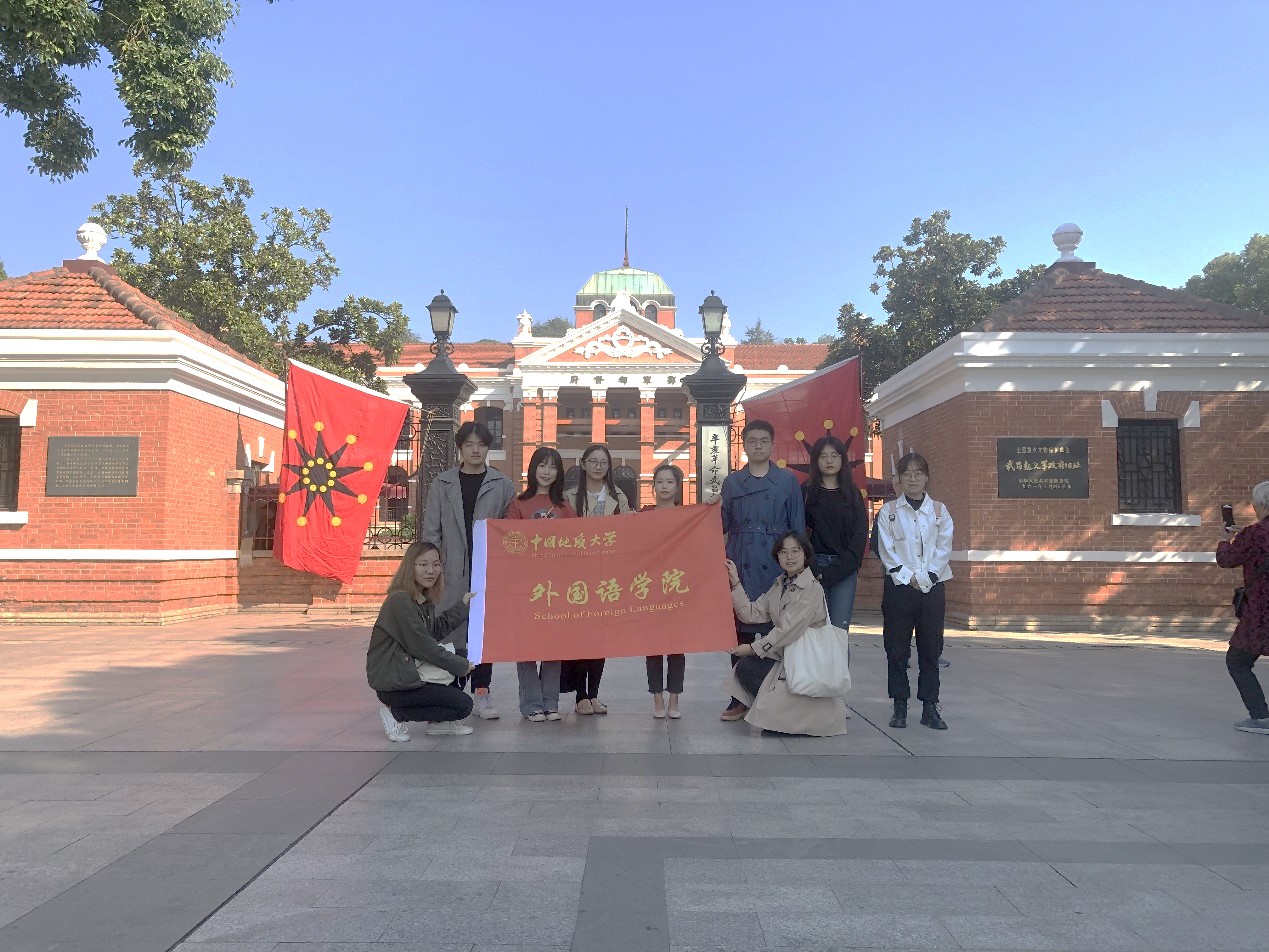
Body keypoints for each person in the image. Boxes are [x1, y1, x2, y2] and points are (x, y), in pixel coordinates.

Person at [422, 421, 515, 723]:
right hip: (450, 571)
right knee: (450, 633)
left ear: (489, 448)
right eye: (469, 444)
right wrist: (432, 570)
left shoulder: (502, 485)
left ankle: (482, 693)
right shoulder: (442, 483)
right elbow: (431, 532)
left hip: (487, 571)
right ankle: (451, 693)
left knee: (483, 636)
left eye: (481, 444)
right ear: (460, 448)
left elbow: (511, 532)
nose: (476, 450)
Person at [719, 419, 805, 720]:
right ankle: (738, 697)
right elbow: (719, 526)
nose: (758, 446)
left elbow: (797, 528)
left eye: (764, 441)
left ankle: (772, 695)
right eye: (752, 441)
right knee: (738, 632)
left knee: (775, 631)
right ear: (744, 445)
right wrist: (708, 508)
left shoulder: (787, 481)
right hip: (740, 562)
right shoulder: (732, 483)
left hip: (775, 563)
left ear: (772, 444)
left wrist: (797, 568)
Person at [721, 531, 847, 736]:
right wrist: (735, 582)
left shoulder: (812, 589)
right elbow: (751, 613)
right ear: (777, 556)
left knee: (754, 668)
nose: (790, 557)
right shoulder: (780, 585)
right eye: (783, 552)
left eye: (795, 551)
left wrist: (753, 648)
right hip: (786, 657)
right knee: (745, 668)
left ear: (805, 554)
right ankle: (781, 714)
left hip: (804, 659)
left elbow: (788, 630)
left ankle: (793, 718)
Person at [367, 540, 477, 739]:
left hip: (408, 670)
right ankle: (396, 714)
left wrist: (463, 606)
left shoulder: (419, 599)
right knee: (463, 705)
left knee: (463, 655)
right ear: (411, 566)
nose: (430, 571)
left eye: (436, 565)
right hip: (395, 683)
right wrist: (460, 665)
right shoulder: (400, 601)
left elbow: (434, 631)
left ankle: (438, 723)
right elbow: (424, 647)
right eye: (423, 564)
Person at [875, 452, 952, 731]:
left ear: (927, 477)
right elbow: (886, 550)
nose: (913, 479)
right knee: (896, 649)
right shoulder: (889, 512)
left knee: (930, 648)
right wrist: (909, 578)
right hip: (900, 588)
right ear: (899, 478)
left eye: (918, 473)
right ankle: (900, 705)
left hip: (932, 587)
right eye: (907, 474)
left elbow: (944, 547)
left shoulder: (940, 511)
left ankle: (930, 707)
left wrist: (927, 577)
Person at [560, 443, 632, 715]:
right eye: (593, 461)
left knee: (601, 638)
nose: (598, 467)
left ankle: (594, 695)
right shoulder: (568, 496)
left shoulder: (618, 496)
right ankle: (581, 695)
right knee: (581, 637)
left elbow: (628, 532)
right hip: (577, 576)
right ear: (583, 464)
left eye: (603, 462)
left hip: (606, 577)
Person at [506, 446, 576, 721]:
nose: (547, 472)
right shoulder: (518, 504)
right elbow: (509, 542)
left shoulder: (564, 507)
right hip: (526, 587)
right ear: (533, 469)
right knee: (526, 646)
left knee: (552, 645)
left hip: (556, 587)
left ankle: (551, 702)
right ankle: (531, 703)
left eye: (553, 467)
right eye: (542, 466)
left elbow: (577, 544)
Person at [1217, 480, 1269, 734]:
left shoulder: (1254, 534)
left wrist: (1225, 539)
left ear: (1262, 504)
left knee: (1237, 660)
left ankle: (1260, 716)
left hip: (1261, 611)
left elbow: (1226, 559)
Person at [803, 435, 868, 633]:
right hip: (812, 570)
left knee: (839, 632)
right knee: (814, 632)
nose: (829, 460)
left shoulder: (853, 494)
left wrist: (839, 570)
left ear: (842, 459)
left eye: (834, 455)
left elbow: (860, 536)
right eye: (823, 456)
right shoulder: (806, 493)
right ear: (816, 461)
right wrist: (813, 568)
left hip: (844, 570)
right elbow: (799, 534)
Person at [641, 463, 686, 719]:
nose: (664, 486)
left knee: (677, 648)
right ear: (654, 486)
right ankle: (657, 698)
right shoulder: (644, 515)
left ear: (677, 487)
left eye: (669, 482)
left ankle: (674, 698)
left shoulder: (686, 516)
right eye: (659, 482)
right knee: (654, 647)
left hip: (677, 589)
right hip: (651, 589)